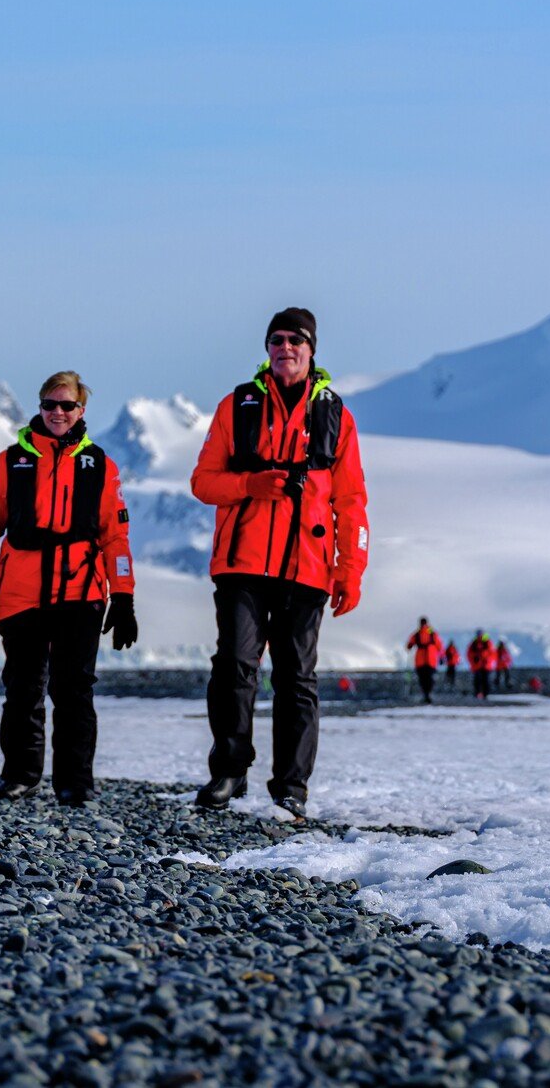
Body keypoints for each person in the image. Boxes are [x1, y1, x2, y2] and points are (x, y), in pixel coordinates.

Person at [189, 310, 366, 820]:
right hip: (242, 563)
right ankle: (229, 770)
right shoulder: (237, 406)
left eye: (296, 340)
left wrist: (349, 570)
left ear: (311, 350)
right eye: (277, 340)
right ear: (267, 348)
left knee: (296, 679)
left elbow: (352, 501)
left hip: (307, 567)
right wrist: (251, 484)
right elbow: (202, 483)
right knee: (234, 667)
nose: (285, 348)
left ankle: (291, 787)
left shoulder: (335, 415)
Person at [0, 370, 138, 807]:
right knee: (22, 688)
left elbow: (116, 536)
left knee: (74, 690)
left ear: (82, 410)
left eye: (67, 406)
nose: (57, 413)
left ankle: (75, 782)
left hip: (81, 592)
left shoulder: (99, 465)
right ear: (39, 407)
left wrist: (125, 596)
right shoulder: (10, 463)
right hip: (21, 593)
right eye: (49, 405)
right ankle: (20, 775)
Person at [406, 618, 442, 704]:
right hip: (421, 661)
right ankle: (426, 695)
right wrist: (410, 645)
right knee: (423, 679)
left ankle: (427, 694)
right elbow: (409, 644)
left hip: (430, 660)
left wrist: (441, 657)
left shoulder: (432, 634)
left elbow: (439, 646)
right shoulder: (417, 634)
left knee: (428, 679)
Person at [467, 630, 494, 700]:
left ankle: (485, 694)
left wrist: (485, 659)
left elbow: (492, 653)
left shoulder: (487, 642)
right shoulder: (474, 643)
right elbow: (469, 654)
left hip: (486, 666)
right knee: (477, 680)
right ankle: (477, 693)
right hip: (477, 666)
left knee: (485, 680)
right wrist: (474, 659)